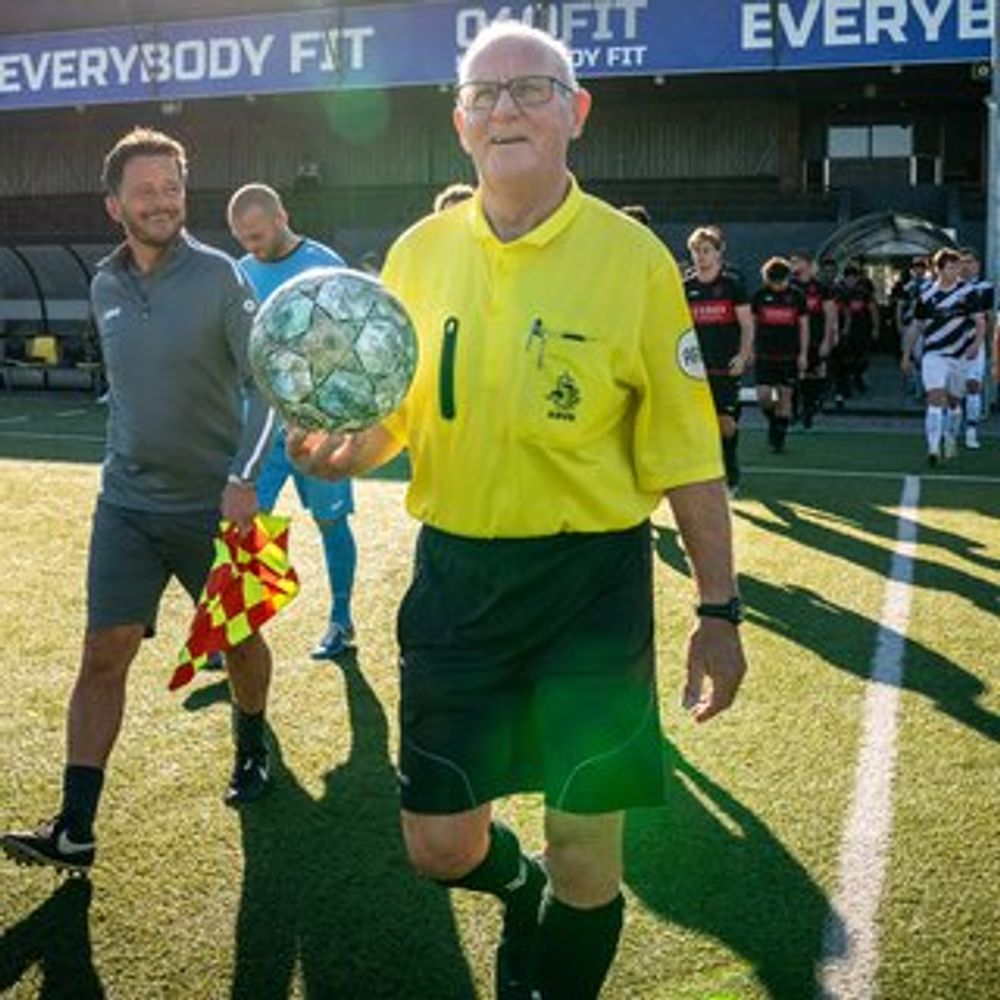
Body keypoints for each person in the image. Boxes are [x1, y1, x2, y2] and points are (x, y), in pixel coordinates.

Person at [288, 21, 748, 1000]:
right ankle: (516, 884)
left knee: (588, 851)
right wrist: (349, 445)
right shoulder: (415, 255)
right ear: (459, 124)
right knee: (439, 845)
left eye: (529, 90)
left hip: (591, 587)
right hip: (455, 581)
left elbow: (684, 454)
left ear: (574, 112)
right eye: (483, 95)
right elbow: (400, 421)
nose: (504, 109)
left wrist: (719, 609)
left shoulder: (634, 263)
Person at [1, 128, 276, 876]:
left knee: (241, 641)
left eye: (172, 188)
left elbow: (269, 385)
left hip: (218, 508)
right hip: (124, 504)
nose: (161, 202)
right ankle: (75, 829)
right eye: (146, 190)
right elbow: (126, 391)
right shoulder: (102, 285)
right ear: (114, 203)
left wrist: (243, 478)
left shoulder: (222, 276)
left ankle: (253, 743)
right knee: (101, 655)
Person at [227, 182, 358, 658]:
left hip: (320, 426)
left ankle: (341, 621)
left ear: (282, 215)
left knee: (329, 521)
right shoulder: (239, 274)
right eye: (243, 239)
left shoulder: (326, 269)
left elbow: (352, 351)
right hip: (260, 431)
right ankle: (237, 626)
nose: (251, 247)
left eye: (257, 235)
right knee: (246, 523)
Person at [684, 225, 753, 493]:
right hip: (694, 369)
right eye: (695, 251)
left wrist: (743, 356)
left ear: (718, 252)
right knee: (698, 425)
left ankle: (731, 468)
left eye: (706, 251)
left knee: (725, 424)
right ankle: (705, 473)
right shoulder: (685, 287)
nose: (700, 256)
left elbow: (747, 325)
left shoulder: (732, 285)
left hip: (726, 365)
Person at [903, 247, 985, 463]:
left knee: (955, 402)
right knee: (935, 397)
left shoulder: (968, 293)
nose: (956, 270)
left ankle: (950, 437)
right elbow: (916, 326)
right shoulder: (926, 295)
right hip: (935, 355)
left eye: (957, 266)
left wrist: (976, 344)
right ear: (939, 269)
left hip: (960, 356)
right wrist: (906, 355)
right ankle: (933, 447)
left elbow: (980, 321)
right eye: (951, 267)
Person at [751, 256, 808, 453]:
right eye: (773, 282)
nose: (777, 286)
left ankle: (778, 439)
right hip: (764, 355)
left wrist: (803, 354)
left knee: (785, 398)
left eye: (781, 281)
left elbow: (804, 327)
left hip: (789, 356)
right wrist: (748, 349)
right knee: (763, 396)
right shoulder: (759, 296)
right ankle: (774, 420)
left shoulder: (797, 296)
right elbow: (750, 324)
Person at [789, 249, 837, 429]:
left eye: (796, 261)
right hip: (793, 340)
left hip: (815, 340)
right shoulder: (789, 286)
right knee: (792, 377)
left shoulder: (822, 288)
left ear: (807, 264)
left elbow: (830, 316)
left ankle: (808, 411)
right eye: (791, 261)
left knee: (811, 377)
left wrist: (827, 340)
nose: (792, 264)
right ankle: (792, 411)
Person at [957, 247, 993, 449]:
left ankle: (971, 430)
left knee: (973, 385)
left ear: (977, 265)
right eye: (962, 262)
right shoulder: (950, 286)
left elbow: (989, 317)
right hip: (952, 344)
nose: (966, 266)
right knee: (951, 391)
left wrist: (987, 343)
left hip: (975, 343)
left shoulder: (985, 287)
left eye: (969, 261)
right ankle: (950, 429)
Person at [832, 262, 879, 406]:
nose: (850, 280)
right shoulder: (837, 291)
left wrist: (875, 328)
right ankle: (844, 387)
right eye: (848, 277)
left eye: (853, 277)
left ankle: (858, 376)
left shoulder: (863, 292)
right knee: (842, 360)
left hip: (861, 330)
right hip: (842, 332)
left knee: (861, 359)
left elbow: (873, 311)